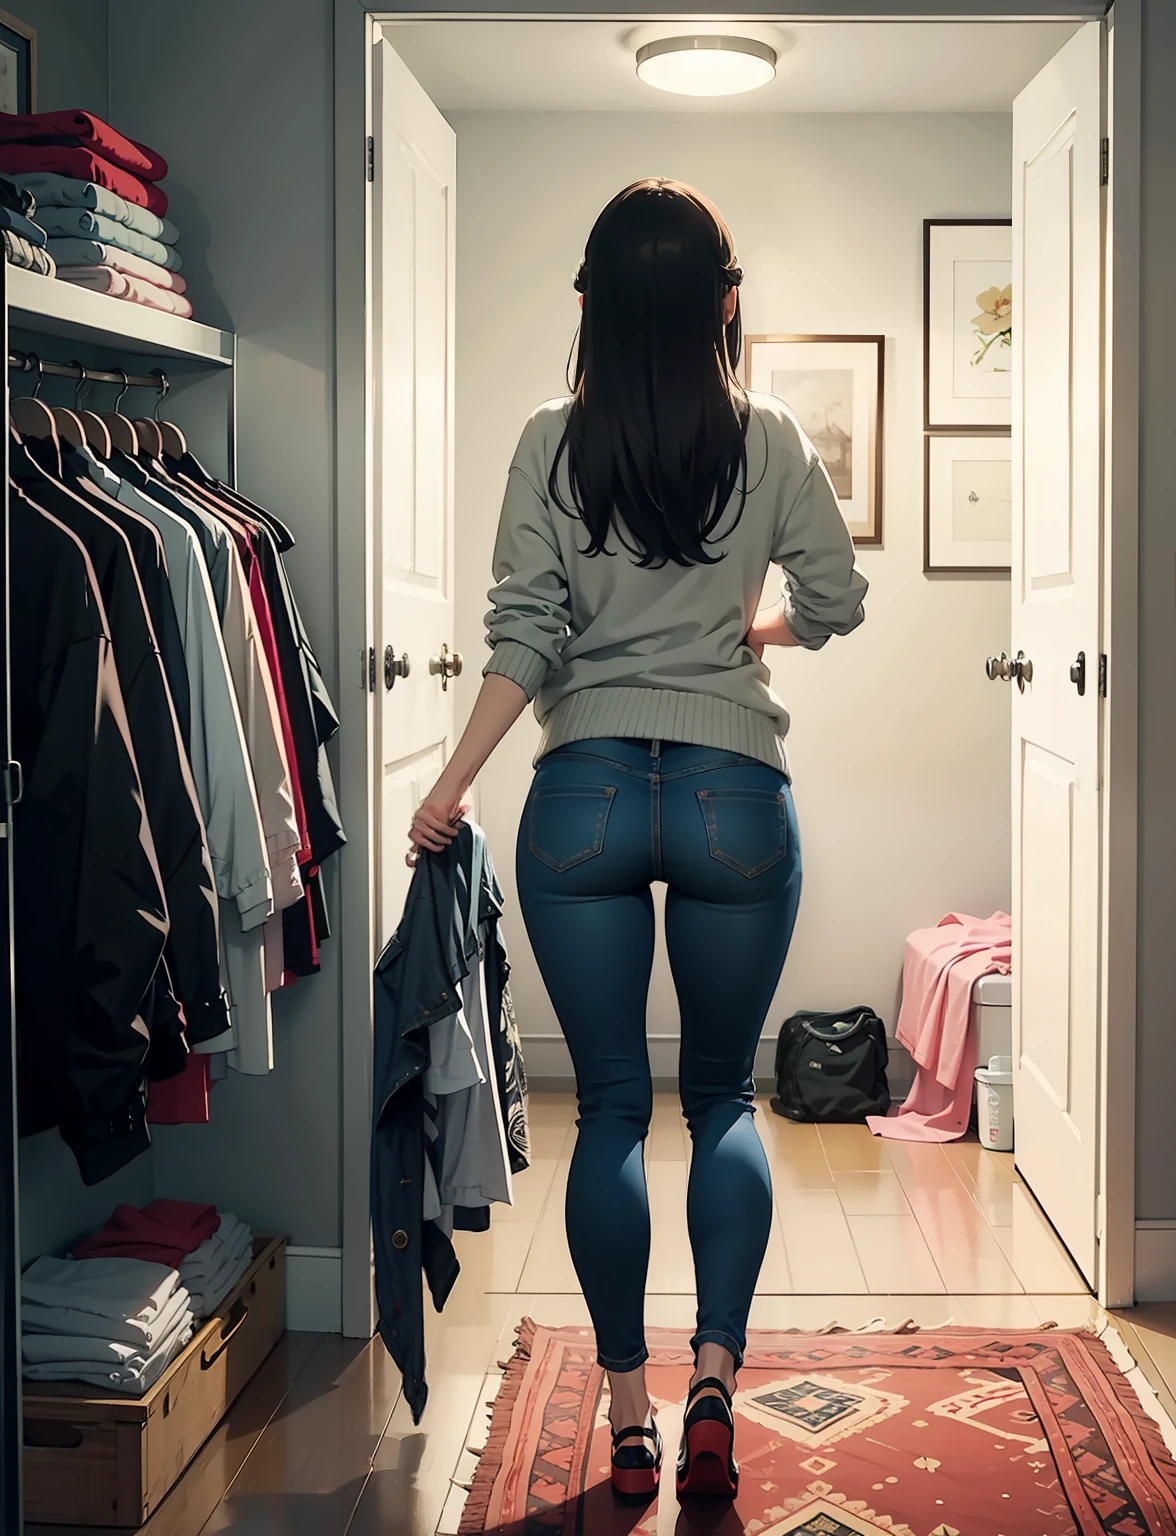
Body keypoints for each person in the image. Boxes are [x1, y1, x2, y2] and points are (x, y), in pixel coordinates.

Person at [407, 178, 867, 1502]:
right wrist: (757, 632)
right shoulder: (770, 436)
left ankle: (624, 1410)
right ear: (725, 301)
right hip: (734, 793)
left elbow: (524, 637)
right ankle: (716, 1379)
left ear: (591, 307)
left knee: (610, 1105)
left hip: (585, 796)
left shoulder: (550, 440)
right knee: (721, 1095)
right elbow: (834, 597)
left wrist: (451, 782)